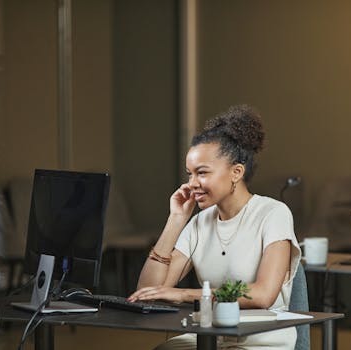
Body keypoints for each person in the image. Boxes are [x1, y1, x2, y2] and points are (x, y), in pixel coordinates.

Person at [128, 105, 301, 349]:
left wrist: (185, 294)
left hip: (261, 339)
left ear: (236, 172)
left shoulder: (273, 213)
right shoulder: (200, 222)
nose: (192, 184)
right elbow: (147, 292)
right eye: (189, 174)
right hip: (209, 335)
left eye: (202, 173)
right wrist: (175, 220)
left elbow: (263, 295)